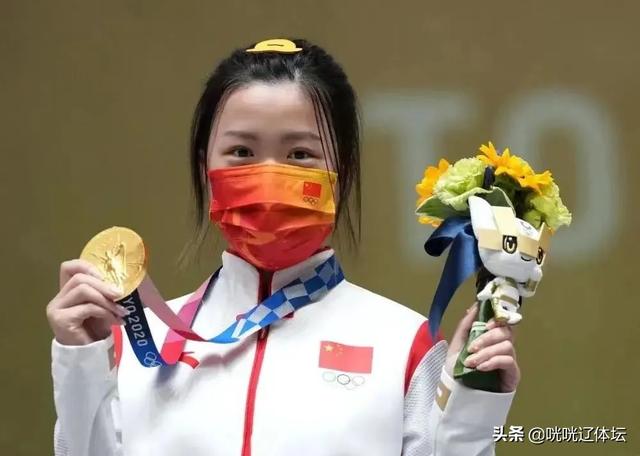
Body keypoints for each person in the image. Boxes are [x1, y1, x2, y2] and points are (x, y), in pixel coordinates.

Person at [47, 38, 519, 456]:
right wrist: (79, 362)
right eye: (242, 153)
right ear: (206, 169)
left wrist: (469, 411)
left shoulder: (405, 345)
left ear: (342, 171)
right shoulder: (135, 343)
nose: (269, 176)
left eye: (299, 155)